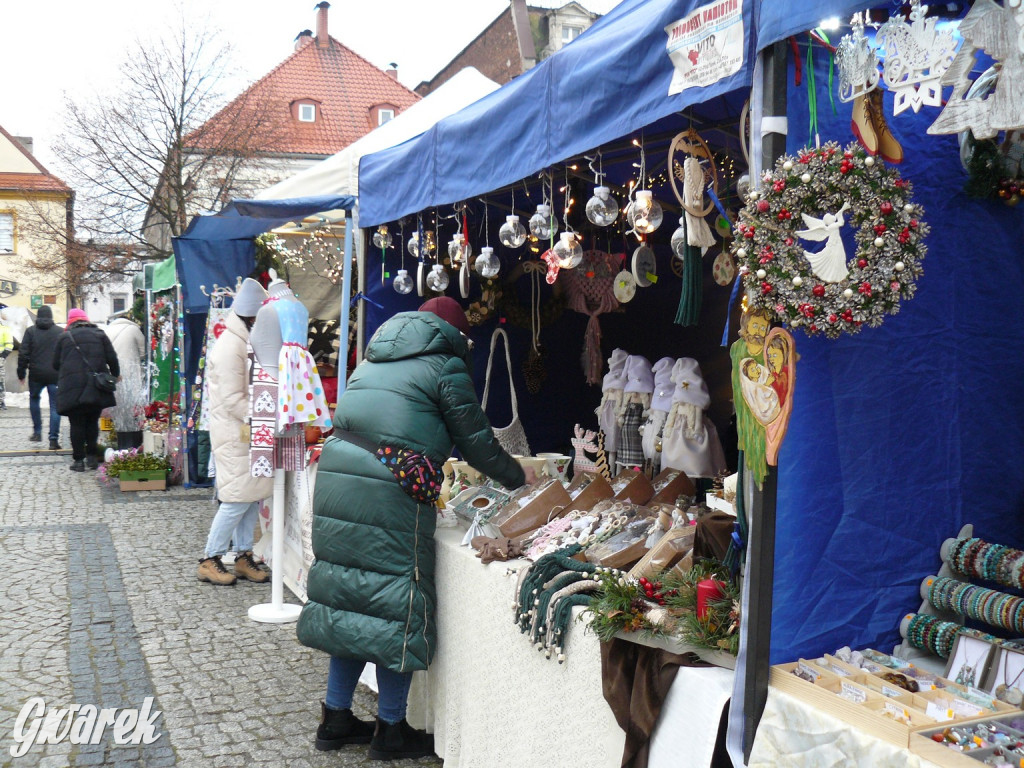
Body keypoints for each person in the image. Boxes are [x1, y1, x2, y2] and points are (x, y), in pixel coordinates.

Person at [296, 296, 534, 761]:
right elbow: (477, 441)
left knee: (350, 596)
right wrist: (517, 478)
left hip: (338, 480)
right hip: (388, 490)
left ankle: (336, 718)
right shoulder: (445, 366)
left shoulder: (374, 357)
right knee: (393, 602)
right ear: (455, 335)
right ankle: (390, 730)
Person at [197, 278, 273, 586]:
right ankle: (209, 557)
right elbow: (232, 399)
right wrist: (263, 416)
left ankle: (243, 556)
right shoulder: (232, 346)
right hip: (235, 432)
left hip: (243, 431)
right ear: (253, 316)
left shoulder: (241, 340)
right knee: (236, 499)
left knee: (250, 495)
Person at [52, 308, 119, 471]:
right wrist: (115, 376)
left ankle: (78, 461)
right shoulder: (100, 334)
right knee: (92, 421)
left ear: (70, 321)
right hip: (96, 386)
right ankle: (92, 458)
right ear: (86, 319)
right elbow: (112, 358)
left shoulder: (64, 337)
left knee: (76, 424)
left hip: (72, 388)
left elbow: (55, 364)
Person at [17, 305, 63, 448]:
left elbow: (23, 353)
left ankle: (37, 432)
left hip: (36, 374)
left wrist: (21, 372)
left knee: (34, 400)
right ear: (51, 316)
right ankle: (53, 439)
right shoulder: (60, 332)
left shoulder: (31, 332)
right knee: (55, 406)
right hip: (55, 374)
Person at [104, 313, 146, 379]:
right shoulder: (133, 329)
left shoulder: (106, 331)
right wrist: (135, 357)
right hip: (131, 368)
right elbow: (144, 351)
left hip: (112, 370)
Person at [0, 315, 12, 411]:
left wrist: (2, 357)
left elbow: (9, 345)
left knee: (0, 381)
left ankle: (1, 401)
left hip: (0, 359)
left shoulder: (5, 330)